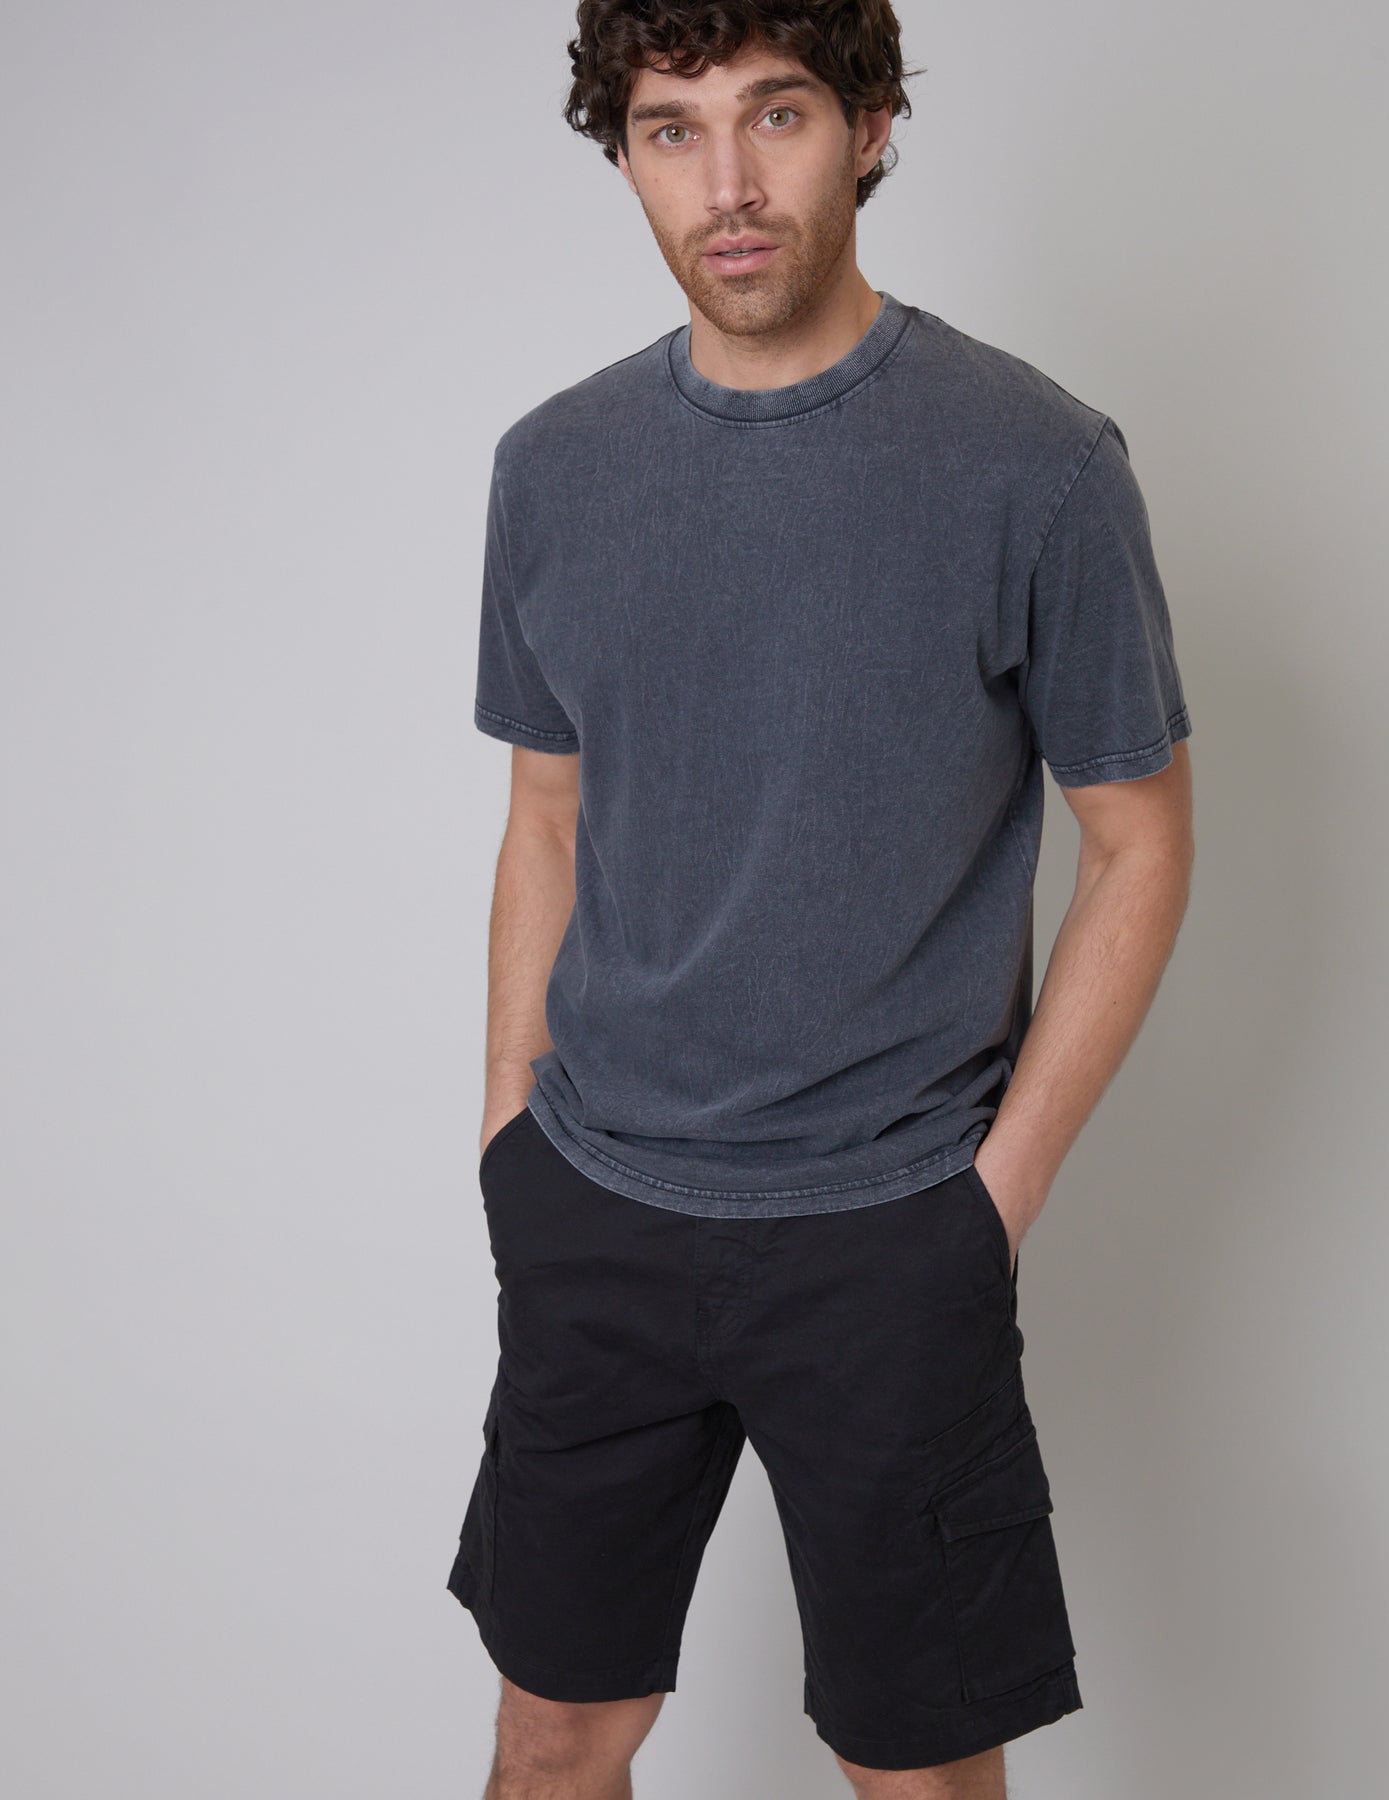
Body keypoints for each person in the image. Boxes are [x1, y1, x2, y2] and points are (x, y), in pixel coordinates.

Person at [447, 3, 1195, 1794]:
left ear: (865, 127)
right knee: (551, 1743)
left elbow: (1141, 842)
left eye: (773, 115)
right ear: (624, 157)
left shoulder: (1035, 464)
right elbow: (544, 816)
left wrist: (987, 1202)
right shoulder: (553, 466)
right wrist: (508, 1135)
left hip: (887, 1235)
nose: (726, 181)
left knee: (914, 1772)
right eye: (670, 128)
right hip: (595, 1213)